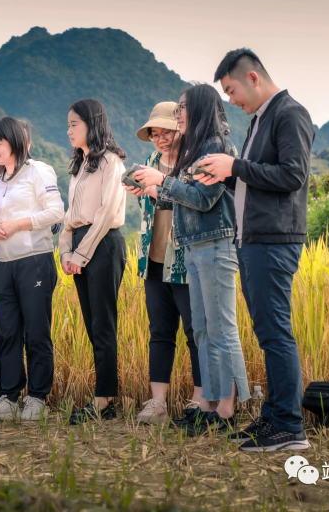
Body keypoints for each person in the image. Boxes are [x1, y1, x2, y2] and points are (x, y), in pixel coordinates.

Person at [194, 48, 315, 452]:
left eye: (231, 90)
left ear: (252, 78)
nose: (231, 100)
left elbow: (292, 176)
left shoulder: (289, 114)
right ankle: (274, 418)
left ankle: (289, 427)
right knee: (268, 333)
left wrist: (235, 167)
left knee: (276, 333)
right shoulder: (260, 120)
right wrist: (225, 176)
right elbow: (253, 180)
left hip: (274, 241)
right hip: (253, 240)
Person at [135, 85, 250, 436]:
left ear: (198, 109)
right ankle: (210, 405)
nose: (178, 114)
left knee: (220, 329)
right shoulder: (196, 151)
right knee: (201, 330)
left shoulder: (216, 147)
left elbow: (203, 199)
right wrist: (154, 188)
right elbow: (184, 199)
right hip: (196, 245)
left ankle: (226, 408)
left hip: (215, 244)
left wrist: (162, 181)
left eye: (182, 108)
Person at [122, 102, 202, 426]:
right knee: (159, 332)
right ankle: (157, 402)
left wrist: (159, 188)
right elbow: (149, 202)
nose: (160, 139)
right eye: (154, 134)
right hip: (153, 257)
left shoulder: (194, 161)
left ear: (180, 128)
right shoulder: (151, 161)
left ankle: (199, 400)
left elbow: (196, 202)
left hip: (183, 259)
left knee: (195, 332)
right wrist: (138, 191)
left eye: (166, 132)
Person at [0, 117, 65, 422]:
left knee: (36, 331)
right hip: (2, 263)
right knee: (7, 332)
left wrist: (17, 224)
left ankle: (38, 397)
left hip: (34, 261)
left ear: (15, 142)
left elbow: (57, 211)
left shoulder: (38, 171)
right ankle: (8, 395)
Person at [59, 98, 127, 425]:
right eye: (69, 124)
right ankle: (105, 398)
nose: (68, 129)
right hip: (79, 246)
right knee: (91, 324)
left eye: (74, 124)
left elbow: (106, 214)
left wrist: (80, 254)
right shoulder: (80, 166)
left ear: (91, 124)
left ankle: (104, 402)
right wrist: (65, 253)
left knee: (103, 324)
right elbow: (69, 217)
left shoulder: (111, 163)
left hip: (103, 245)